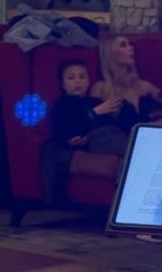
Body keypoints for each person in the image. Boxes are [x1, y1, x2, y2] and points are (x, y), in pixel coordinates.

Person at [38, 59, 130, 208]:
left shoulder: (95, 101)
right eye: (71, 78)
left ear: (88, 82)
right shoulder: (62, 105)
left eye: (82, 77)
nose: (78, 81)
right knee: (127, 149)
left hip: (113, 133)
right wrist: (95, 113)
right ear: (62, 84)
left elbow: (114, 123)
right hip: (95, 137)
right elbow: (63, 129)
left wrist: (121, 108)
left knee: (128, 146)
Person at [92, 34, 162, 129]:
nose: (131, 48)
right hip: (117, 138)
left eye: (129, 44)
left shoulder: (143, 86)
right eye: (123, 45)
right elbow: (91, 121)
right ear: (111, 54)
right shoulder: (101, 88)